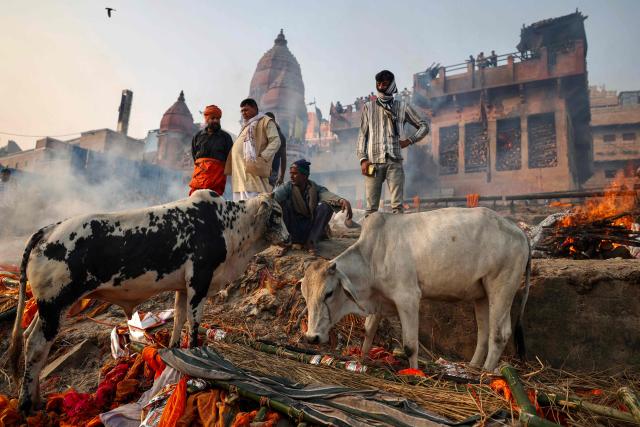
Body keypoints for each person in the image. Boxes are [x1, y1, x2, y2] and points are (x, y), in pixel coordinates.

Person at [357, 69, 429, 215]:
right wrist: (363, 160)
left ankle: (396, 238)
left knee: (397, 207)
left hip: (394, 162)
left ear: (391, 85)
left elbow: (424, 126)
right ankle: (371, 238)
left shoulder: (402, 107)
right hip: (373, 163)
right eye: (379, 83)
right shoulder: (368, 107)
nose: (381, 86)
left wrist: (409, 141)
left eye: (384, 83)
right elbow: (362, 136)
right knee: (371, 209)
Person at [274, 159, 352, 255]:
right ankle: (285, 243)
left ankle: (311, 242)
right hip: (292, 229)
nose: (291, 176)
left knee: (326, 206)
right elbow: (274, 197)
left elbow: (327, 194)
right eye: (291, 173)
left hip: (309, 229)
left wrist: (341, 200)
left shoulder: (314, 188)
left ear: (305, 176)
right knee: (282, 204)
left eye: (295, 174)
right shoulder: (287, 187)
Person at [227, 98, 281, 201]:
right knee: (240, 210)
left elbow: (276, 141)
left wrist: (263, 156)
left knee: (254, 207)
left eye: (246, 110)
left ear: (255, 108)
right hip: (240, 176)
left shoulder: (266, 121)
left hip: (254, 174)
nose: (243, 113)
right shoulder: (246, 125)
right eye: (242, 111)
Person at [188, 104, 233, 197]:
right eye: (213, 118)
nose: (216, 121)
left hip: (217, 177)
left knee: (213, 202)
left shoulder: (225, 137)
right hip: (199, 176)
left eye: (218, 118)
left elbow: (230, 158)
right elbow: (194, 157)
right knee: (195, 200)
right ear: (207, 119)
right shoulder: (197, 136)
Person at [265, 112, 287, 187]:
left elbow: (283, 158)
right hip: (262, 170)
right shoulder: (263, 132)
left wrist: (282, 177)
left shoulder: (280, 136)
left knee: (266, 195)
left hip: (271, 172)